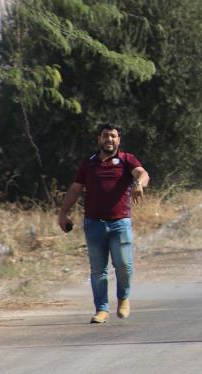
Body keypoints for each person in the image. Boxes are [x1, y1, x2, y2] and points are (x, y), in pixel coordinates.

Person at [58, 123, 150, 324]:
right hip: (94, 224)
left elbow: (143, 174)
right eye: (106, 136)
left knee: (123, 265)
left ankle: (123, 299)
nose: (109, 140)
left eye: (113, 136)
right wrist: (63, 213)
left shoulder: (126, 159)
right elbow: (75, 189)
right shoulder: (89, 163)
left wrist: (138, 185)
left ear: (119, 140)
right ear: (99, 139)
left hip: (120, 223)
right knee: (98, 270)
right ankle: (101, 309)